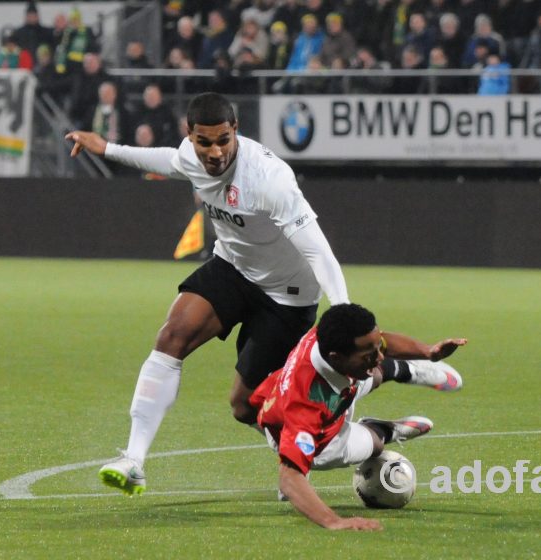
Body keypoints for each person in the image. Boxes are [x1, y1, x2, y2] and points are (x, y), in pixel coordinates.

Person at [65, 92, 350, 495]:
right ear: (191, 136)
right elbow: (163, 160)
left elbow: (318, 251)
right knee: (171, 335)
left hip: (286, 294)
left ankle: (311, 454)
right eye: (204, 142)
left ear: (236, 132)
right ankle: (133, 460)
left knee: (244, 405)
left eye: (223, 140)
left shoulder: (270, 180)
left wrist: (344, 312)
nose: (214, 152)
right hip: (233, 267)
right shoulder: (190, 155)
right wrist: (107, 147)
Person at [250, 303, 466, 530]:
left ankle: (408, 369)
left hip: (334, 390)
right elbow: (289, 479)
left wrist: (427, 351)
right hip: (320, 433)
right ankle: (381, 431)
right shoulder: (305, 406)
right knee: (366, 446)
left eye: (378, 348)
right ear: (336, 358)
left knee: (370, 371)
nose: (381, 355)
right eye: (370, 354)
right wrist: (334, 522)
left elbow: (377, 341)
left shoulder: (330, 335)